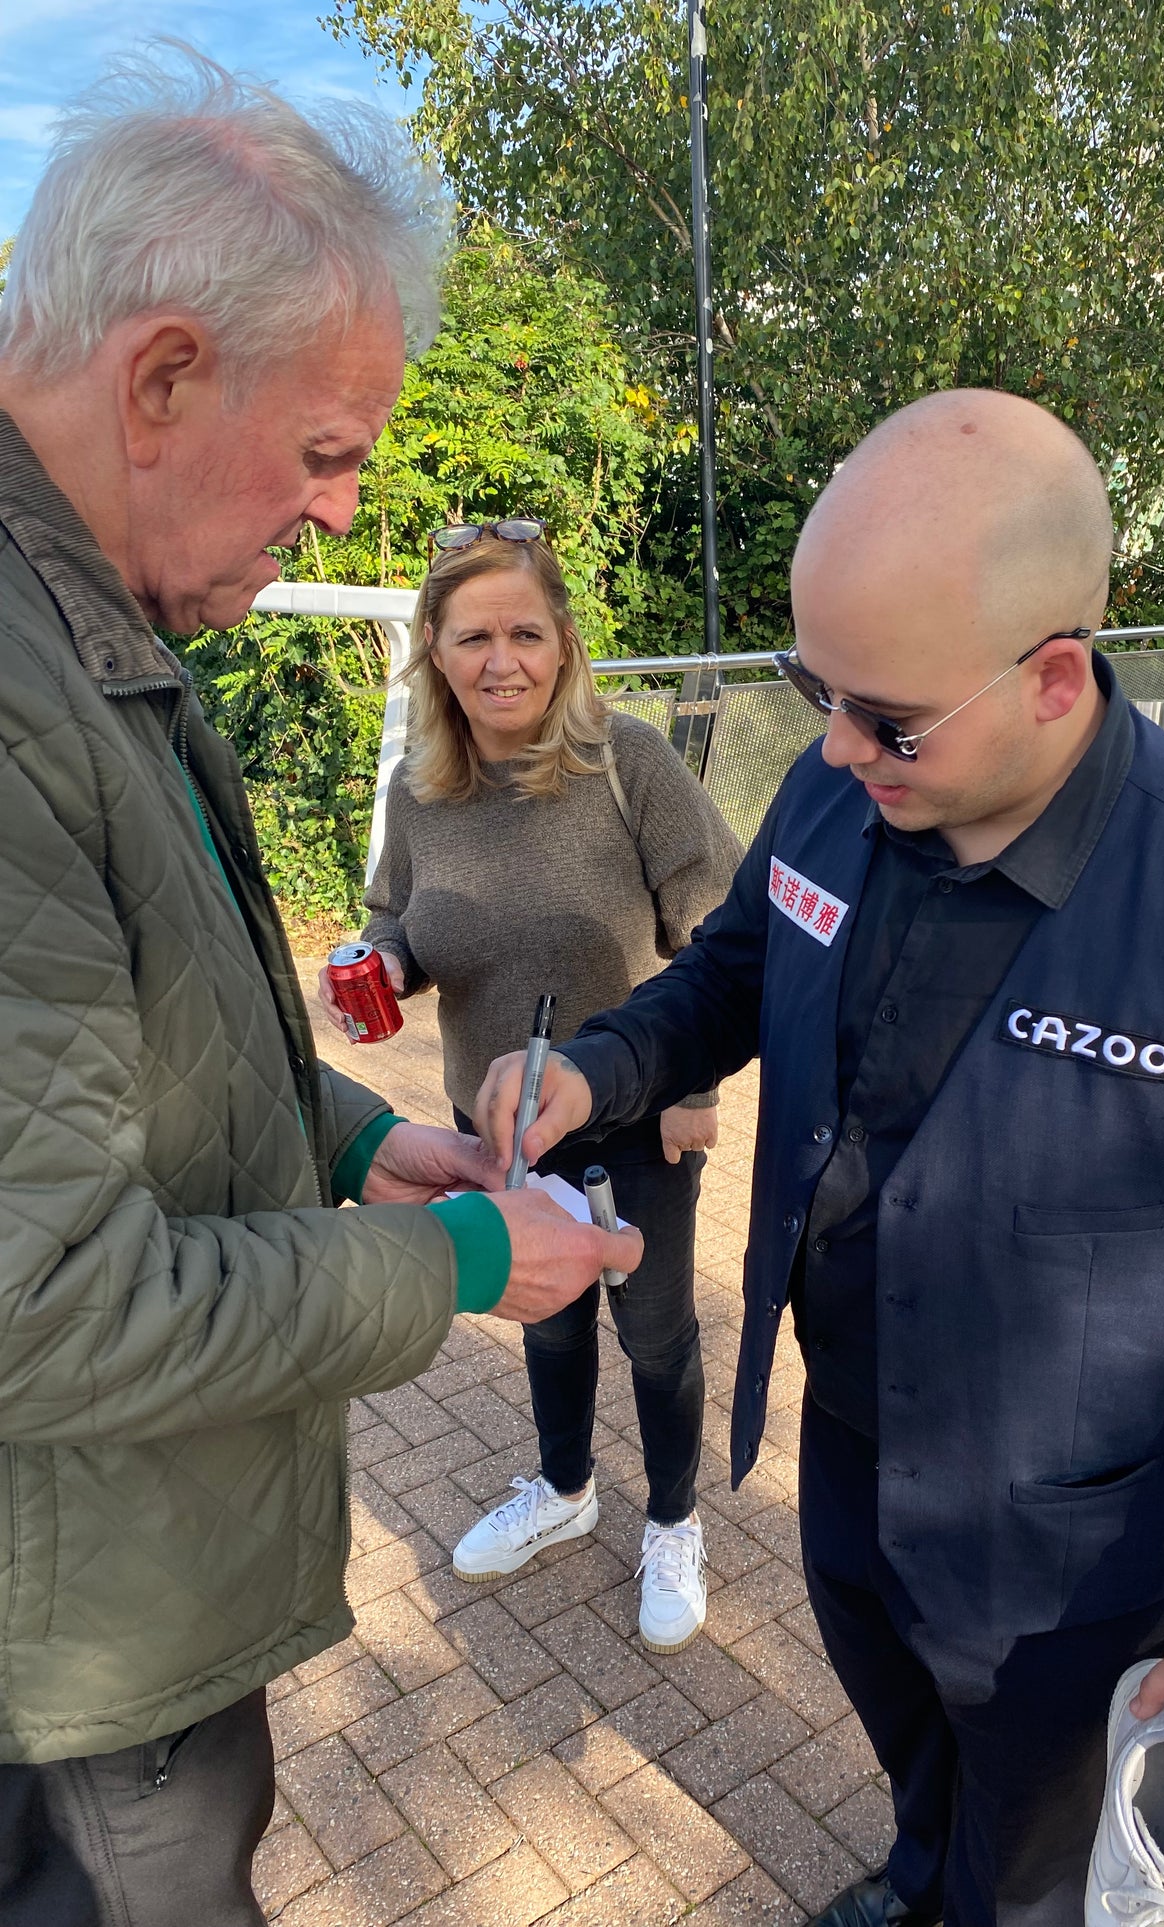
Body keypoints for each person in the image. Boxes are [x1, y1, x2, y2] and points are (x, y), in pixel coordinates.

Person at [473, 390, 1164, 1927]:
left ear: (1054, 676)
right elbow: (730, 970)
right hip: (851, 1447)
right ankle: (925, 1877)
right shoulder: (841, 787)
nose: (836, 746)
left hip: (1079, 1549)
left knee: (1038, 1855)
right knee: (919, 1755)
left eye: (885, 717)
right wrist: (591, 1070)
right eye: (812, 688)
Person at [0, 50, 639, 1927]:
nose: (348, 517)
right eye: (328, 450)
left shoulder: (81, 614)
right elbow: (40, 1304)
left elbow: (130, 1034)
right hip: (73, 1653)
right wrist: (452, 1265)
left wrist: (353, 1140)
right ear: (165, 377)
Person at [319, 525, 740, 1650]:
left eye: (524, 632)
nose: (499, 659)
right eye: (472, 636)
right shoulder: (419, 789)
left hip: (636, 1117)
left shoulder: (629, 763)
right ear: (436, 652)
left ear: (561, 646)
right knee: (545, 1320)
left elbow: (719, 930)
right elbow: (397, 915)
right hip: (488, 1120)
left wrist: (694, 1081)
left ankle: (670, 1519)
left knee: (654, 1331)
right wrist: (386, 966)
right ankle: (563, 1491)